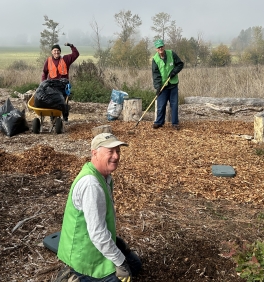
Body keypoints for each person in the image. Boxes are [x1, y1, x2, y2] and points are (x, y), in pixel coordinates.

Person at [57, 133, 142, 282]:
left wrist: (116, 243)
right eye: (110, 151)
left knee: (135, 266)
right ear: (94, 153)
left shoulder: (104, 177)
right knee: (121, 276)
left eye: (118, 151)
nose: (116, 156)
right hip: (84, 253)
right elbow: (97, 233)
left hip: (94, 242)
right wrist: (120, 261)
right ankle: (76, 276)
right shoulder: (91, 184)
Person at [41, 43, 79, 121]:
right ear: (52, 52)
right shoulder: (48, 61)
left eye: (58, 50)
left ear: (60, 52)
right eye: (55, 50)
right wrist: (43, 83)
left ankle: (65, 118)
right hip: (52, 86)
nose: (56, 52)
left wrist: (71, 46)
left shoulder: (65, 59)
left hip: (63, 86)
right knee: (52, 102)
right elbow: (44, 73)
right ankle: (53, 117)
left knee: (64, 102)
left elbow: (76, 54)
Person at [151, 39, 184, 130]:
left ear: (164, 46)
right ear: (156, 49)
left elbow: (180, 64)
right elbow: (155, 74)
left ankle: (175, 123)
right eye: (158, 47)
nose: (160, 48)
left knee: (174, 105)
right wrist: (158, 87)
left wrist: (174, 72)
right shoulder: (155, 59)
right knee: (161, 105)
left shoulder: (171, 54)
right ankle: (159, 122)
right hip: (163, 86)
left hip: (173, 84)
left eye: (161, 46)